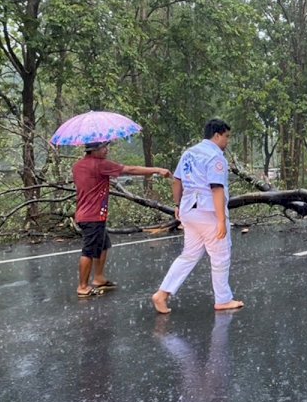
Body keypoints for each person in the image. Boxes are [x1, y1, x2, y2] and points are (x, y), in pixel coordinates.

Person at [152, 118, 244, 313]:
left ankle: (162, 294)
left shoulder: (189, 153)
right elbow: (216, 188)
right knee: (220, 256)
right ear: (217, 135)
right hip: (208, 211)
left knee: (189, 255)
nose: (227, 141)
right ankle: (223, 299)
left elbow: (177, 180)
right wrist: (221, 220)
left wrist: (177, 205)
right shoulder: (216, 156)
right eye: (226, 137)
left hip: (188, 210)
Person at [73, 141, 172, 298]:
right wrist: (157, 170)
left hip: (86, 213)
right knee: (89, 250)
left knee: (104, 244)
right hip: (92, 215)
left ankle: (98, 278)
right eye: (103, 148)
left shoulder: (78, 165)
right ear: (93, 150)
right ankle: (83, 287)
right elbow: (130, 170)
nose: (106, 150)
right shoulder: (99, 164)